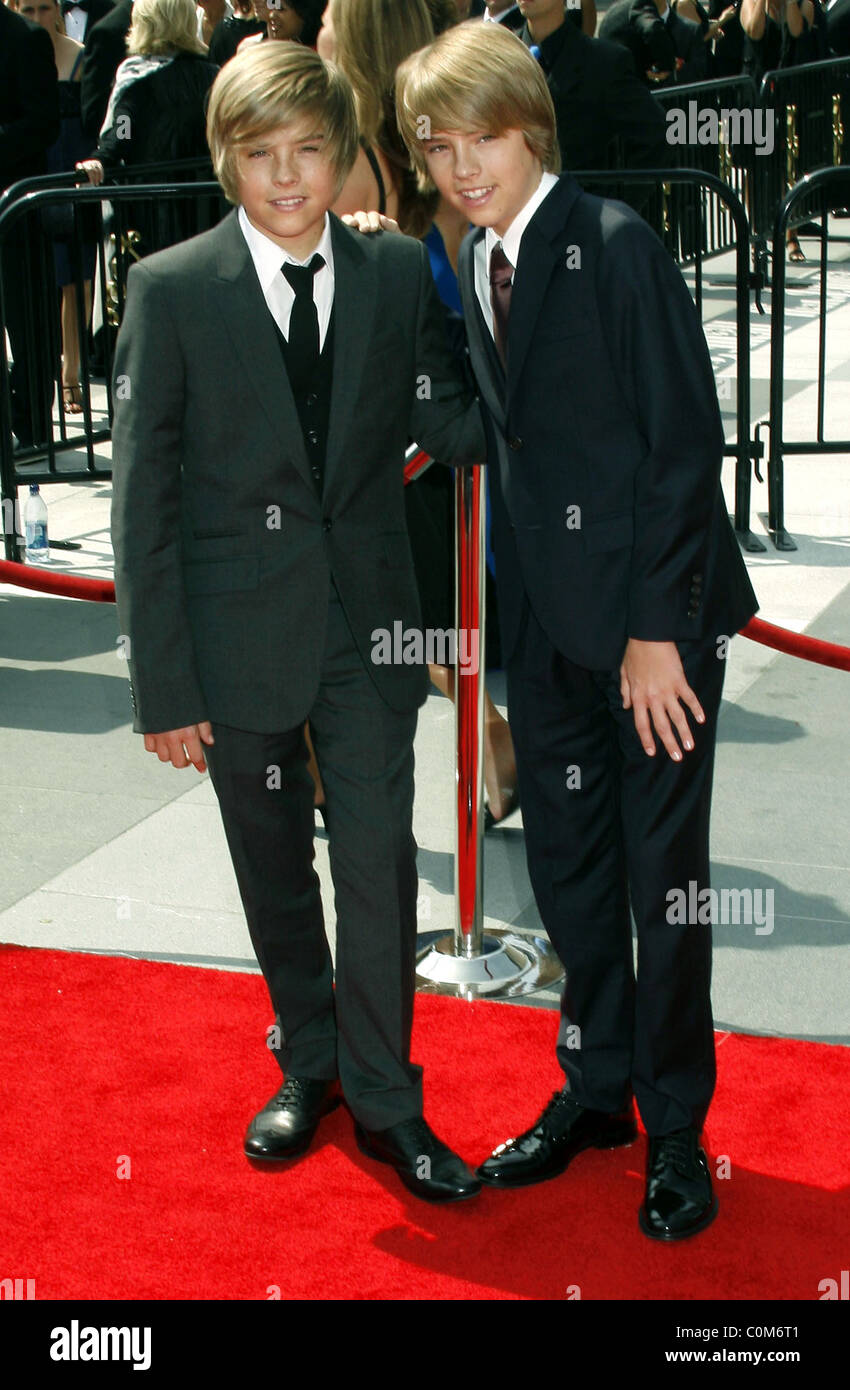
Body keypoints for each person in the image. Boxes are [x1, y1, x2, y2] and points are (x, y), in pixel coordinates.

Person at [396, 20, 758, 1240]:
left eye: (482, 138)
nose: (462, 166)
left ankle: (676, 1127)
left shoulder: (614, 244)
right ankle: (597, 1087)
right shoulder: (472, 254)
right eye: (439, 147)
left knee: (666, 885)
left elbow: (682, 448)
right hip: (549, 621)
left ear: (532, 130)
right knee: (567, 869)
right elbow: (484, 418)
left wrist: (656, 632)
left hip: (657, 624)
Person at [110, 40, 486, 1203]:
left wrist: (502, 297)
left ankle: (386, 1100)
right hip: (234, 637)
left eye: (308, 152)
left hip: (369, 628)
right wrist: (163, 684)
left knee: (379, 864)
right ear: (226, 159)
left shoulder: (392, 271)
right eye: (259, 153)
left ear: (344, 157)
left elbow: (451, 418)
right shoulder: (172, 289)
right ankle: (308, 1061)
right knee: (271, 867)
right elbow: (142, 501)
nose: (285, 177)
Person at [516, 0, 671, 216]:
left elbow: (657, 134)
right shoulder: (499, 56)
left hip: (576, 220)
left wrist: (617, 209)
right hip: (507, 222)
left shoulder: (603, 62)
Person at [17, 0, 96, 415]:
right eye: (27, 9)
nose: (37, 18)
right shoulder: (17, 56)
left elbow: (98, 117)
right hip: (33, 171)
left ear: (59, 11)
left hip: (73, 172)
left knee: (77, 278)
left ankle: (71, 373)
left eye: (44, 8)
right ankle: (45, 370)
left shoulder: (80, 56)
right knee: (42, 278)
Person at [0, 0, 60, 453]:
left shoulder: (26, 38)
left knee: (27, 322)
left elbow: (43, 123)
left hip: (17, 206)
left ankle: (34, 426)